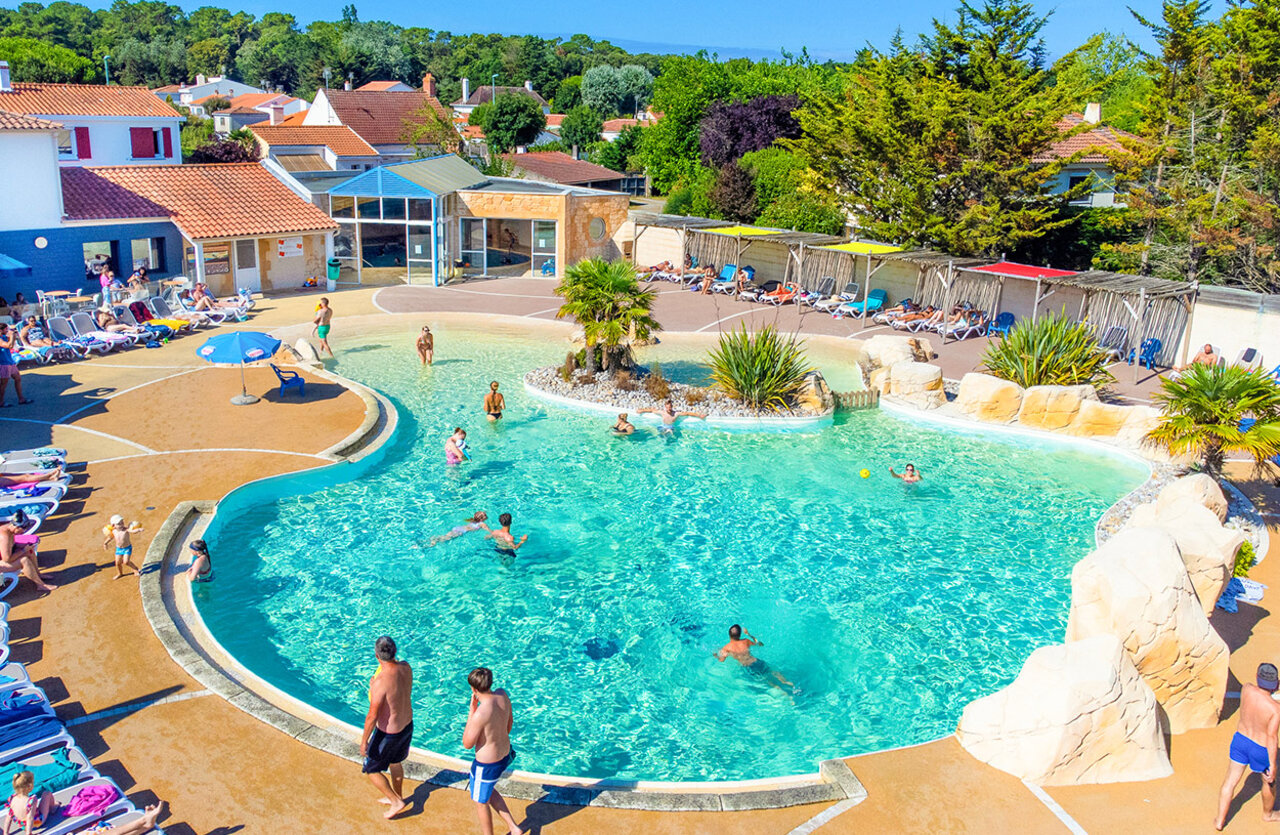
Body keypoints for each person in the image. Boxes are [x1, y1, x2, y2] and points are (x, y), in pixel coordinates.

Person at [1215, 663, 1280, 829]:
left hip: (1240, 742)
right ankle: (1268, 814)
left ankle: (1220, 821)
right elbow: (1272, 737)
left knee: (1229, 782)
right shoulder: (1275, 709)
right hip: (1261, 749)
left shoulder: (1246, 689)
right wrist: (1272, 765)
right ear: (1276, 684)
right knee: (1268, 783)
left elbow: (1258, 693)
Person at [462, 667, 524, 835]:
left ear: (473, 689)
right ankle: (513, 828)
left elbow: (467, 743)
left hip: (486, 766)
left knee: (480, 802)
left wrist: (472, 711)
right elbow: (509, 725)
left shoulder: (481, 713)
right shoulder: (503, 695)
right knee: (487, 792)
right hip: (505, 755)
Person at [361, 636, 413, 820]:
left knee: (371, 770)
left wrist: (364, 741)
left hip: (388, 734)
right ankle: (397, 796)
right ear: (395, 651)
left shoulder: (380, 682)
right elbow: (399, 692)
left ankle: (395, 801)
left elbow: (372, 716)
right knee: (395, 762)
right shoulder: (406, 668)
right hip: (407, 727)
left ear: (376, 655)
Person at [715, 624, 794, 692]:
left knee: (768, 681)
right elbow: (760, 644)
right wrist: (748, 634)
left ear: (729, 634)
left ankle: (784, 693)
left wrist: (715, 655)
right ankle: (792, 686)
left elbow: (721, 660)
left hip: (749, 667)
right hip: (758, 662)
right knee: (773, 672)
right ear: (739, 635)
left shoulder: (726, 648)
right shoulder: (746, 641)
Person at [0, 512, 55, 593]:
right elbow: (7, 559)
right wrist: (23, 550)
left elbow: (12, 545)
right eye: (22, 530)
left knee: (30, 551)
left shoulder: (8, 528)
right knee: (24, 560)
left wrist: (26, 548)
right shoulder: (4, 537)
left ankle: (38, 575)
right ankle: (41, 585)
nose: (23, 532)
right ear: (17, 527)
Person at [4, 769, 55, 835]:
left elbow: (9, 817)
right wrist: (29, 833)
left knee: (33, 810)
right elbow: (30, 817)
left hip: (22, 825)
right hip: (36, 823)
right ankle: (53, 808)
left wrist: (5, 832)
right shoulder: (31, 800)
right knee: (46, 794)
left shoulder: (12, 798)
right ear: (30, 786)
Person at [0, 323, 32, 407]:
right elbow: (9, 345)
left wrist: (12, 335)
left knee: (17, 378)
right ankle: (1, 401)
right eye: (5, 329)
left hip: (10, 362)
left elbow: (12, 343)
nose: (7, 331)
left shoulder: (3, 337)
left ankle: (21, 399)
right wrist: (12, 336)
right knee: (4, 383)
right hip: (3, 364)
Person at [101, 514, 141, 579]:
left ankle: (135, 569)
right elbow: (110, 538)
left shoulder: (126, 529)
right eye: (119, 524)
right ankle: (120, 573)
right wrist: (105, 543)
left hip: (127, 548)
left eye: (122, 523)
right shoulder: (114, 531)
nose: (122, 525)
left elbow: (132, 531)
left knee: (126, 562)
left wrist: (138, 530)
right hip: (119, 549)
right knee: (118, 563)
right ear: (113, 526)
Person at [638, 400, 707, 434]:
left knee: (670, 433)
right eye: (667, 407)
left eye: (670, 407)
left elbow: (687, 413)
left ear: (672, 407)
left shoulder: (676, 413)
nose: (669, 409)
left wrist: (699, 415)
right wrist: (642, 410)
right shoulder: (662, 412)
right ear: (665, 407)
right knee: (656, 433)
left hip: (671, 427)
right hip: (662, 426)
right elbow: (652, 410)